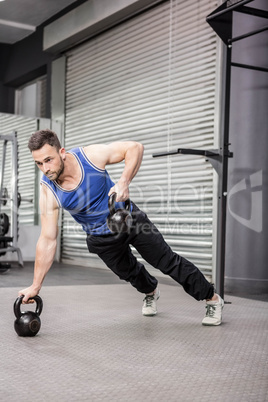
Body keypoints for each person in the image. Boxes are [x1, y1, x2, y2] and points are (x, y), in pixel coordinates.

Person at [19, 129, 224, 326]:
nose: (45, 168)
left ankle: (212, 298)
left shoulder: (89, 156)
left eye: (48, 160)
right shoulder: (48, 190)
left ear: (61, 153)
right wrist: (36, 285)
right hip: (100, 238)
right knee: (129, 273)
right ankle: (151, 291)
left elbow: (135, 147)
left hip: (128, 219)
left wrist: (124, 181)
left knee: (166, 260)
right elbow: (47, 239)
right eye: (38, 163)